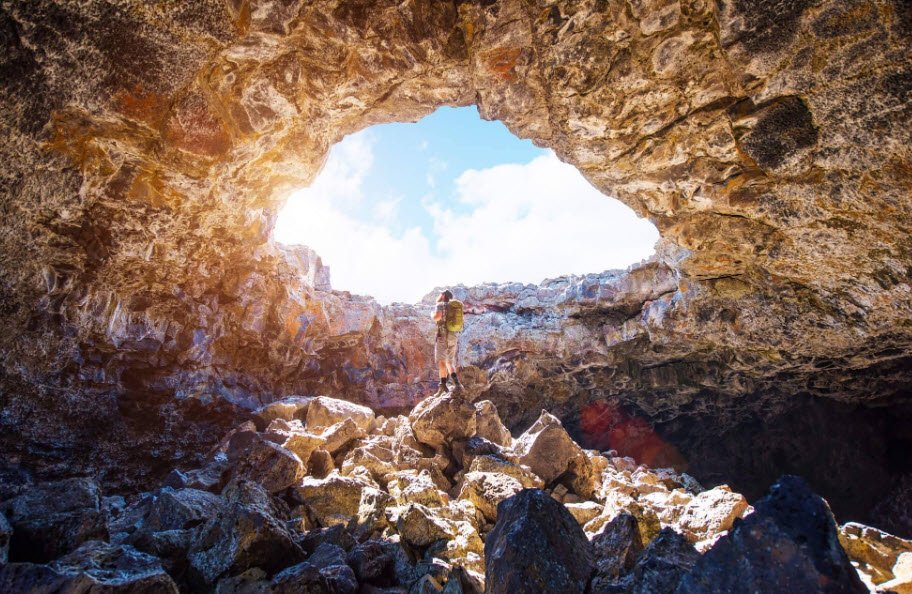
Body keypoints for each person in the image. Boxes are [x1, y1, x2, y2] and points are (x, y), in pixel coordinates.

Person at [433, 289, 463, 396]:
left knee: (442, 362)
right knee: (449, 362)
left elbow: (437, 317)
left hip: (442, 337)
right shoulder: (453, 307)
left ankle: (442, 386)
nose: (439, 295)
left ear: (443, 295)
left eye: (440, 293)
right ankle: (458, 384)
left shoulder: (440, 304)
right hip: (453, 337)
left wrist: (432, 314)